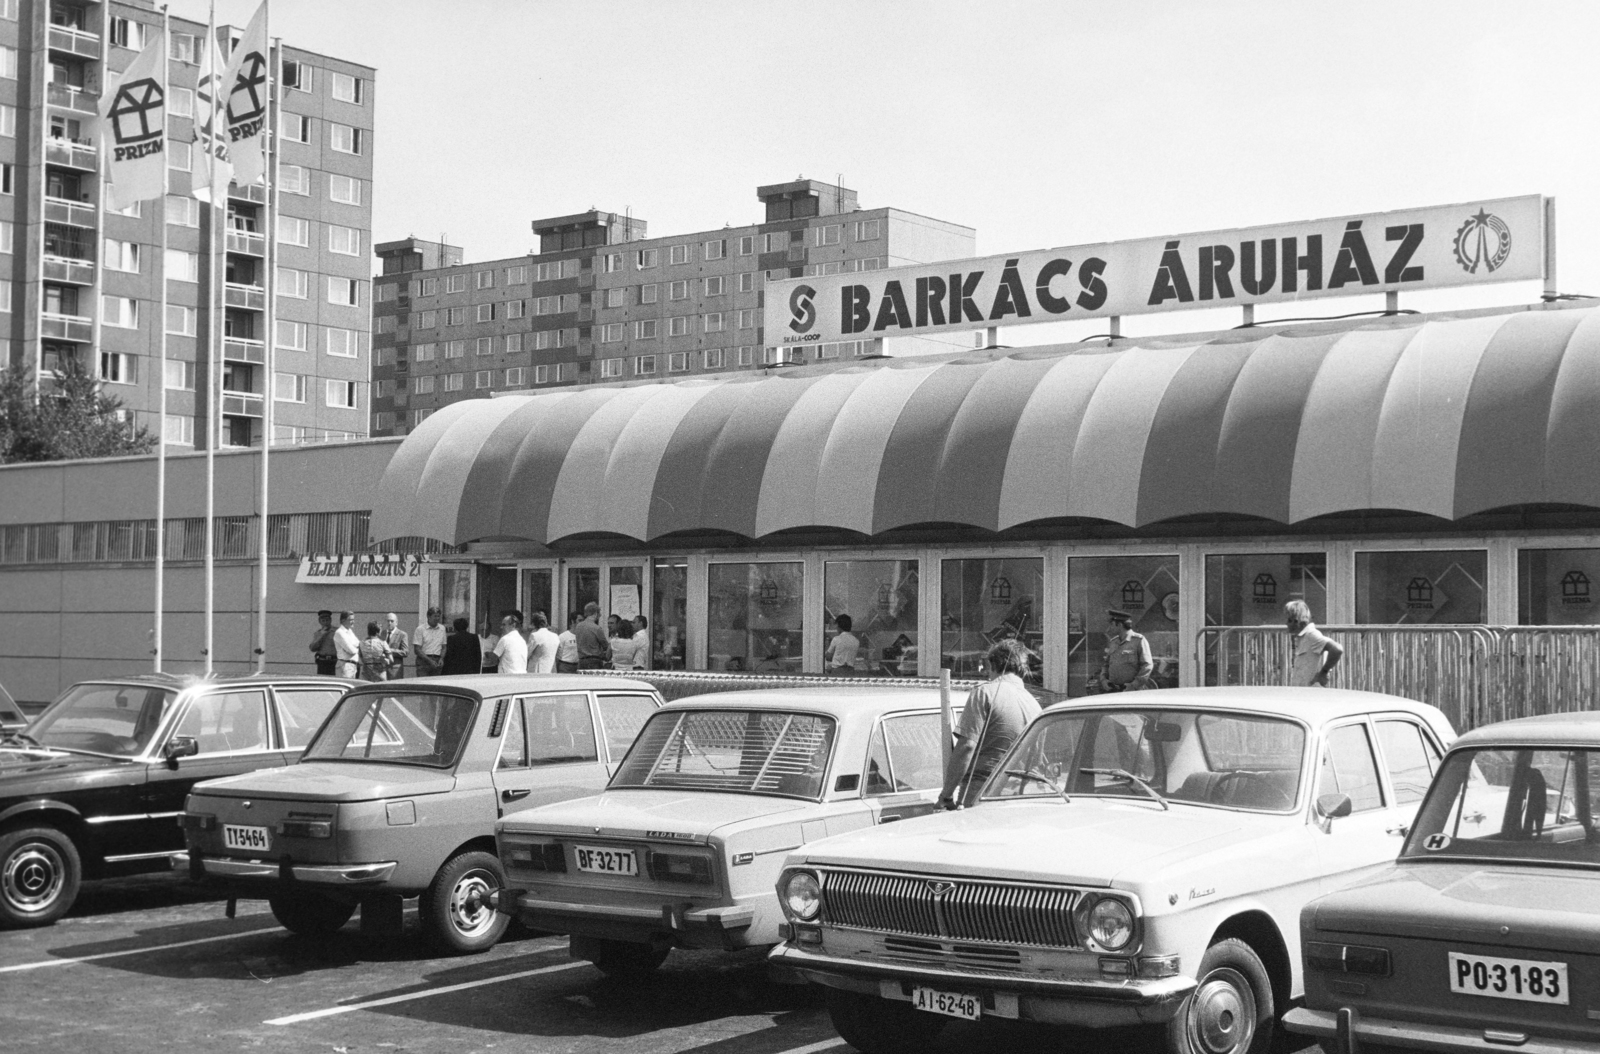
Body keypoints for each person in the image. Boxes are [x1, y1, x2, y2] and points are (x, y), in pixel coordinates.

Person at [939, 639, 1043, 809]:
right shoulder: (1034, 705)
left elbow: (966, 746)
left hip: (982, 790)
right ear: (1022, 669)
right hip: (1020, 795)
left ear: (992, 664)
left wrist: (946, 795)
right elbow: (1036, 760)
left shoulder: (985, 693)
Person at [1286, 600, 1344, 687]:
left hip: (1312, 692)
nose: (1286, 623)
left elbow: (1337, 649)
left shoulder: (1312, 635)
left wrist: (1324, 672)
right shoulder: (1303, 637)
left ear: (1297, 621)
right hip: (1302, 692)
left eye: (1289, 620)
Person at [1095, 609, 1154, 692]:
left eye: (1112, 625)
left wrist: (1134, 685)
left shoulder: (1138, 640)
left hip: (1132, 691)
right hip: (1113, 690)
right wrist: (1103, 680)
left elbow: (1147, 666)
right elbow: (1106, 665)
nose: (1110, 628)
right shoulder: (1113, 642)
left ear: (1119, 625)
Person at [574, 602, 611, 670]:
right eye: (599, 613)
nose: (600, 616)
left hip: (581, 661)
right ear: (595, 613)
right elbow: (605, 645)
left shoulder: (578, 626)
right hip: (594, 661)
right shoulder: (597, 628)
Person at [413, 607, 446, 677]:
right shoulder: (420, 629)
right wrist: (429, 660)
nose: (437, 618)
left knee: (436, 684)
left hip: (437, 660)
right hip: (423, 661)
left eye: (438, 616)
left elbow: (444, 647)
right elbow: (417, 649)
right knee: (423, 683)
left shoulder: (442, 629)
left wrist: (442, 659)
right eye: (435, 616)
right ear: (428, 616)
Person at [332, 610, 361, 679]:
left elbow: (359, 644)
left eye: (353, 619)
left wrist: (355, 646)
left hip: (353, 665)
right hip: (345, 665)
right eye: (350, 620)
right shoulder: (339, 632)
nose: (353, 622)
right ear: (343, 620)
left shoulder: (349, 631)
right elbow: (351, 650)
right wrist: (356, 648)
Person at [309, 610, 338, 675]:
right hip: (322, 661)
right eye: (323, 621)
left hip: (334, 661)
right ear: (320, 622)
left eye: (327, 620)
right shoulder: (318, 633)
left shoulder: (337, 632)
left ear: (330, 620)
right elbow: (312, 648)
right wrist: (321, 635)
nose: (325, 623)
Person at [383, 612, 410, 681]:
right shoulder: (382, 634)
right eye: (388, 621)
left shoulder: (402, 634)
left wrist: (390, 650)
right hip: (382, 669)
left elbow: (405, 652)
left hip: (395, 669)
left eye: (392, 621)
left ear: (396, 623)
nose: (389, 623)